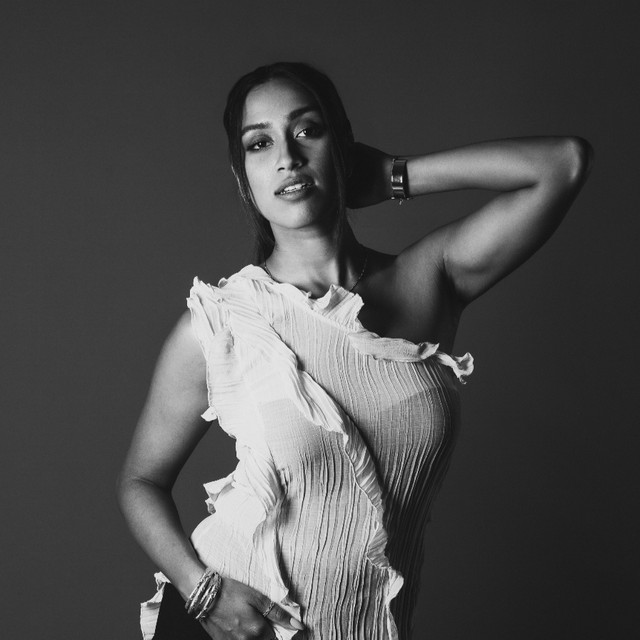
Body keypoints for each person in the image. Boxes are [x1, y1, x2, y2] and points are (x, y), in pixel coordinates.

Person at [117, 61, 592, 640]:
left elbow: (562, 163)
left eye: (307, 130)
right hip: (237, 625)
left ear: (343, 147)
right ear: (244, 176)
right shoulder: (223, 320)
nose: (288, 157)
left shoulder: (428, 279)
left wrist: (394, 176)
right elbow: (140, 481)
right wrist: (203, 592)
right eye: (260, 143)